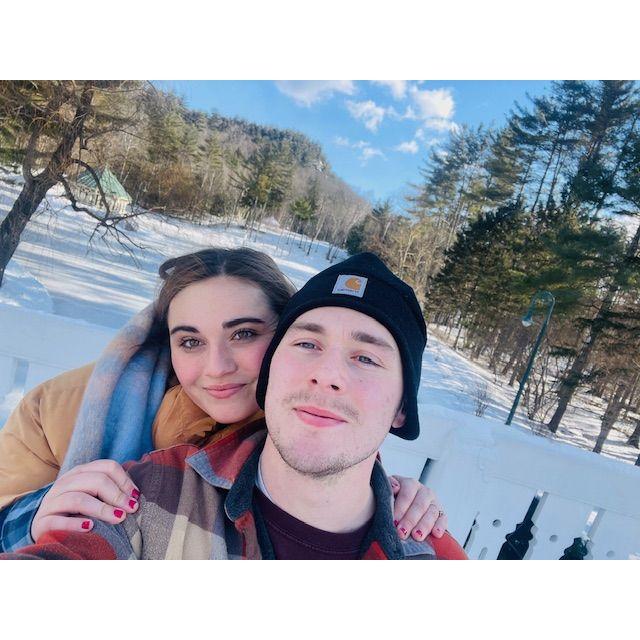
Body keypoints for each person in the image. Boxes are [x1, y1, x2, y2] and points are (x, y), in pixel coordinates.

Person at [1, 252, 466, 559]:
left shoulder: (305, 424)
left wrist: (390, 492)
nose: (217, 367)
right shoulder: (61, 412)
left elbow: (338, 451)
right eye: (190, 341)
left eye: (244, 334)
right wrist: (37, 516)